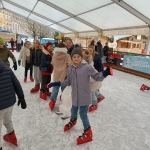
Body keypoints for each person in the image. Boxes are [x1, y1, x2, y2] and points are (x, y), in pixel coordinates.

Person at [47, 47, 113, 145]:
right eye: (74, 56)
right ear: (72, 57)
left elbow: (97, 76)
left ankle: (88, 131)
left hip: (84, 96)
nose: (76, 58)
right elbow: (67, 82)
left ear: (81, 57)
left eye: (78, 56)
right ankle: (73, 120)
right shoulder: (70, 69)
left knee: (83, 114)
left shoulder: (87, 67)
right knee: (73, 110)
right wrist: (54, 84)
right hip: (75, 96)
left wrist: (106, 72)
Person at [0, 60, 27, 150]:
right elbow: (16, 84)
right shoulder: (7, 70)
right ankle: (11, 136)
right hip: (10, 103)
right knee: (7, 120)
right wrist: (21, 97)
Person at [49, 43, 72, 110]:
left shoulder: (54, 55)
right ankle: (64, 100)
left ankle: (52, 101)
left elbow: (52, 63)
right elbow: (70, 64)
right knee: (64, 89)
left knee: (55, 88)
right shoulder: (67, 55)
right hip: (64, 75)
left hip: (56, 74)